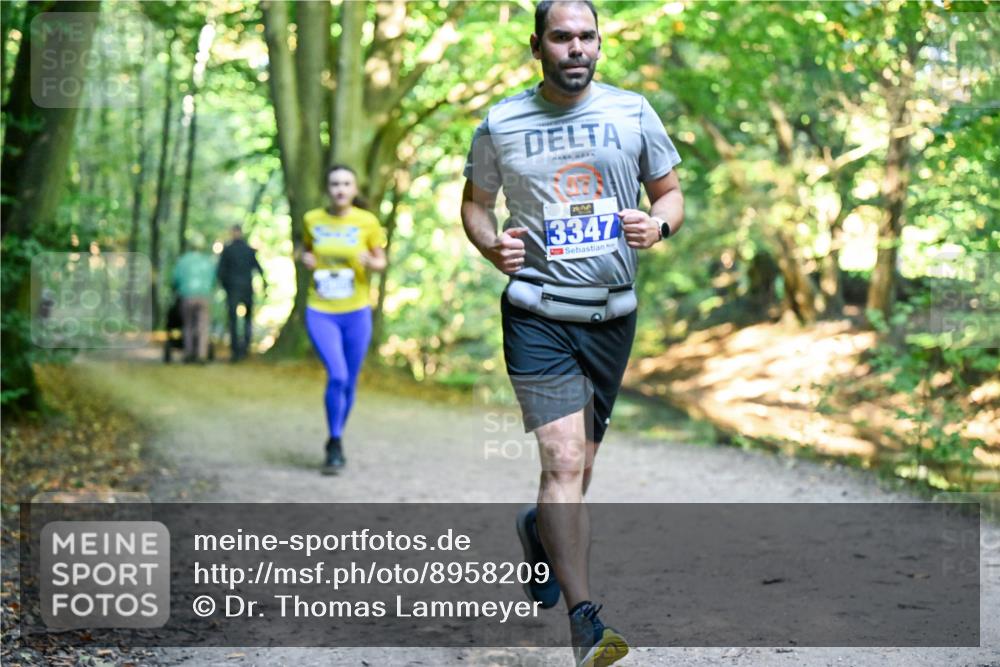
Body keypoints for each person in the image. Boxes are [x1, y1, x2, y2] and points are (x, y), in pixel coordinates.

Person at [460, 1, 684, 665]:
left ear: (599, 44)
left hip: (612, 313)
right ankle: (586, 619)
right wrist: (491, 245)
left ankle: (539, 528)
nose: (577, 48)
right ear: (538, 46)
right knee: (561, 460)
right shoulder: (500, 121)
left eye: (588, 36)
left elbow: (669, 194)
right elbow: (475, 206)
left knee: (578, 469)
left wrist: (659, 225)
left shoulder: (634, 111)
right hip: (535, 310)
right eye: (562, 37)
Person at [300, 164, 387, 475]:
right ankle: (335, 441)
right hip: (321, 310)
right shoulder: (312, 219)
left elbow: (381, 260)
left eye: (346, 183)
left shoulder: (367, 222)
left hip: (356, 311)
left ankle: (336, 435)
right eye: (334, 183)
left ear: (354, 189)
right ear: (327, 188)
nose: (340, 188)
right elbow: (305, 250)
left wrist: (371, 262)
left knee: (349, 381)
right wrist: (304, 258)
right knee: (336, 375)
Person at [217, 224, 267, 361]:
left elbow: (220, 272)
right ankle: (243, 349)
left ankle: (237, 351)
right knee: (246, 320)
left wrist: (225, 286)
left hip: (234, 290)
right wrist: (265, 286)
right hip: (244, 289)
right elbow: (259, 269)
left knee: (236, 320)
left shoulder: (228, 250)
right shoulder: (248, 250)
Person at [171, 238, 218, 363]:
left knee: (188, 325)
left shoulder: (183, 260)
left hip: (187, 295)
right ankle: (202, 355)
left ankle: (189, 353)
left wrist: (177, 289)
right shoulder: (207, 261)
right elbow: (213, 279)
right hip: (204, 295)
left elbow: (175, 279)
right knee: (203, 326)